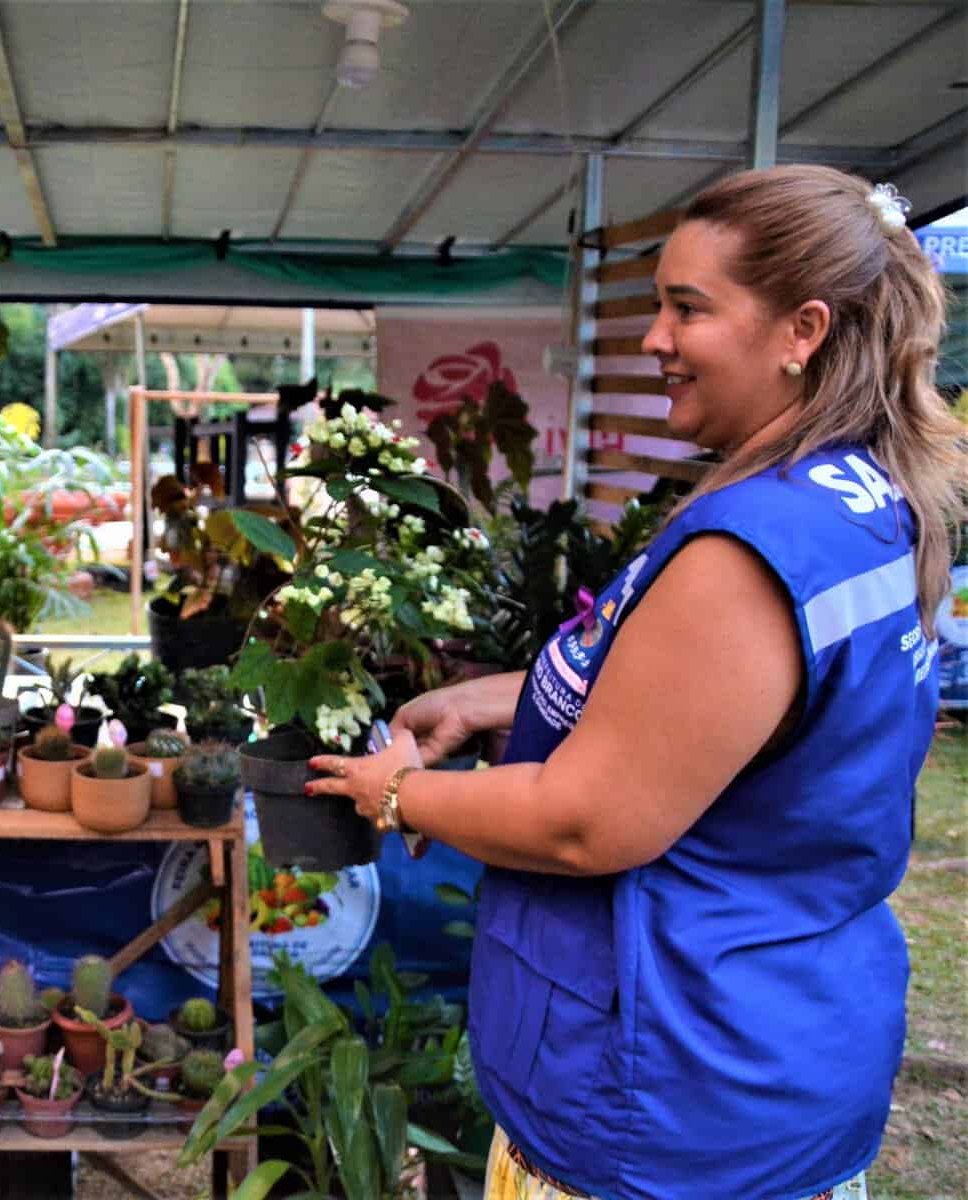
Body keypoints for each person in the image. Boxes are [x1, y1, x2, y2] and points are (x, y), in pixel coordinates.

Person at [308, 166, 963, 1199]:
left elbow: (585, 822)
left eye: (686, 309)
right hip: (771, 1046)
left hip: (671, 1098)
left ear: (799, 329)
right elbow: (711, 698)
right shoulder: (860, 499)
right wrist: (500, 697)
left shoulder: (751, 546)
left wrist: (389, 793)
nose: (652, 340)